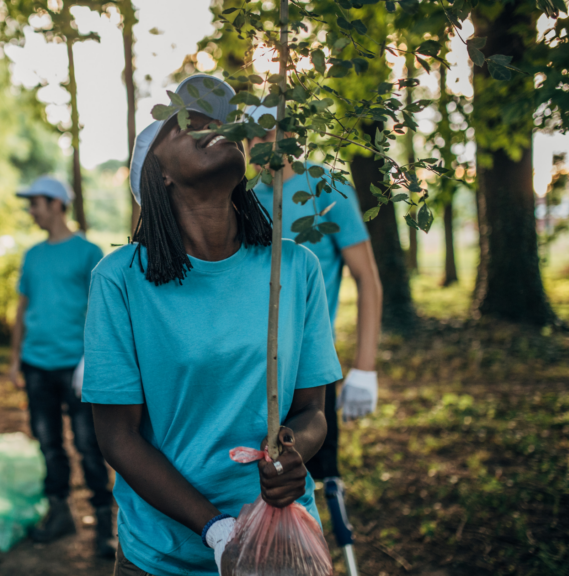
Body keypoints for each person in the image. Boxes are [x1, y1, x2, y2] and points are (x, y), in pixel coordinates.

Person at [82, 74, 343, 576]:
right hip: (165, 555)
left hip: (282, 545)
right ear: (158, 174)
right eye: (186, 124)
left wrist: (292, 454)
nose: (211, 128)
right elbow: (118, 438)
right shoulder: (120, 280)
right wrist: (217, 530)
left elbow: (313, 411)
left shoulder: (293, 267)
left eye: (220, 121)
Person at [246, 104, 383, 526]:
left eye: (269, 133)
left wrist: (364, 369)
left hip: (309, 364)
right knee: (259, 476)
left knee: (317, 474)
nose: (259, 144)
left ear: (291, 135)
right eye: (250, 135)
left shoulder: (326, 187)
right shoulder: (242, 196)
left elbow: (368, 279)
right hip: (250, 363)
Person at [7, 176, 114, 558]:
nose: (30, 210)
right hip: (37, 365)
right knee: (48, 442)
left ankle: (105, 524)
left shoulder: (89, 252)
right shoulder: (32, 255)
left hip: (78, 367)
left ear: (55, 203)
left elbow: (104, 311)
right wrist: (15, 358)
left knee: (90, 445)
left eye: (34, 203)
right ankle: (59, 513)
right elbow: (23, 308)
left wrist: (94, 358)